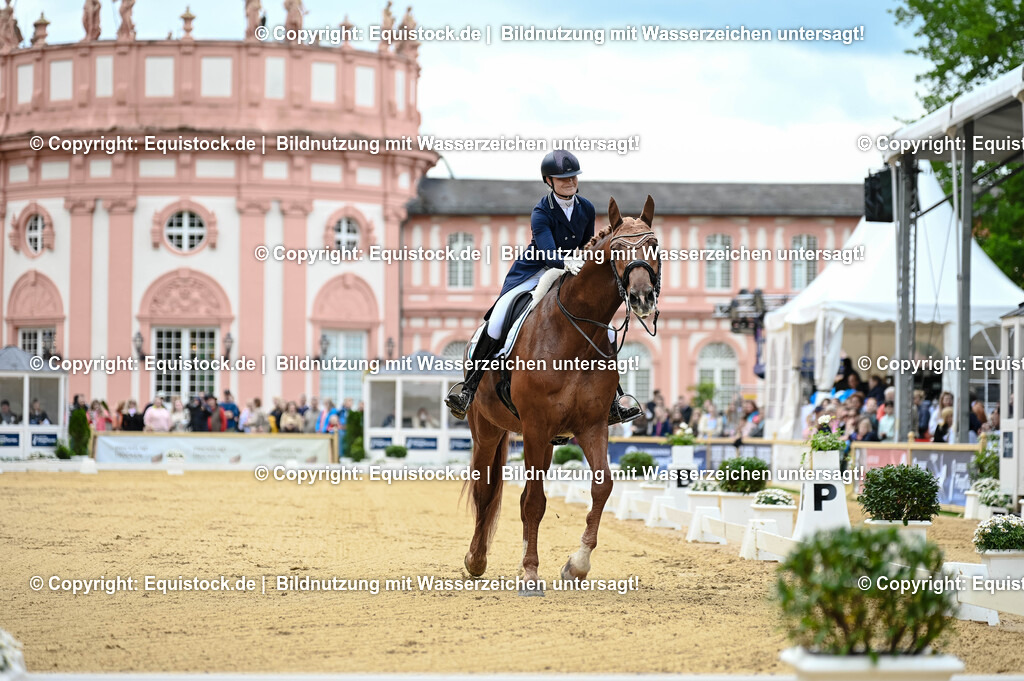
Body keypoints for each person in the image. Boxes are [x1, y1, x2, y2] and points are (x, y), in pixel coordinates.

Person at [444, 150, 641, 426]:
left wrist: (582, 265)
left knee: (604, 328)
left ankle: (612, 402)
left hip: (570, 273)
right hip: (535, 271)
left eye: (573, 177)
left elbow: (587, 244)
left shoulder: (585, 208)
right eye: (563, 179)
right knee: (498, 318)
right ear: (549, 181)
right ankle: (469, 390)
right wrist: (567, 262)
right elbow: (548, 253)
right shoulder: (541, 211)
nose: (570, 182)